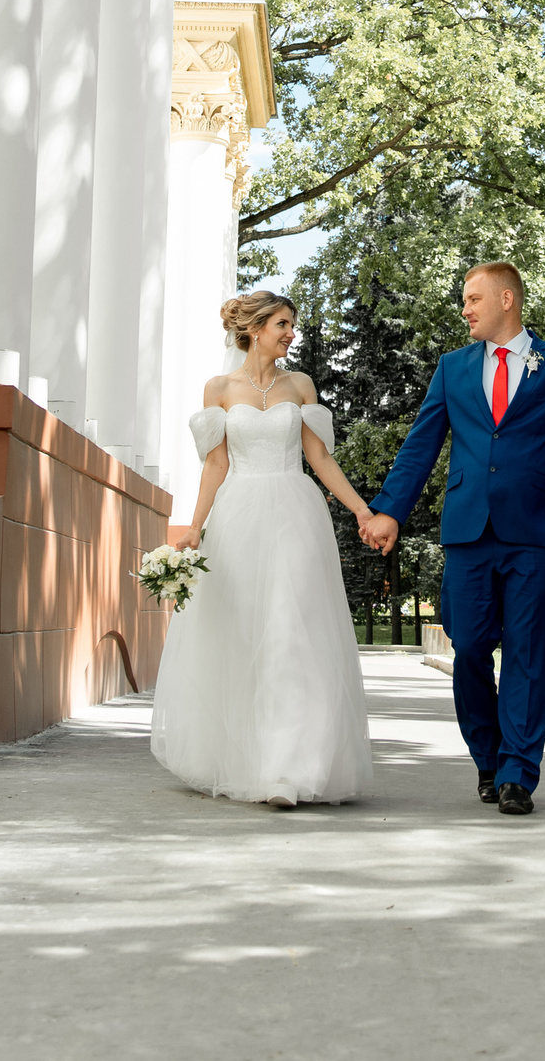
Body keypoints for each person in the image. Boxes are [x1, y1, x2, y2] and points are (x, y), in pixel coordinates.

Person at [361, 261, 545, 816]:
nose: (465, 309)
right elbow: (421, 446)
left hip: (540, 532)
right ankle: (487, 755)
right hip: (469, 531)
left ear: (507, 299)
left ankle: (518, 771)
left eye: (473, 299)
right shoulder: (452, 369)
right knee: (469, 647)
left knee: (528, 653)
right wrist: (390, 512)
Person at [150, 291, 375, 806]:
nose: (291, 333)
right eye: (282, 324)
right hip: (237, 518)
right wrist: (194, 528)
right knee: (244, 633)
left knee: (290, 632)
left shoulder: (300, 386)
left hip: (296, 513)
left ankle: (288, 768)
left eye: (291, 324)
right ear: (255, 329)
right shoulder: (220, 388)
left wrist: (362, 510)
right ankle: (246, 758)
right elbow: (215, 465)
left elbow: (319, 459)